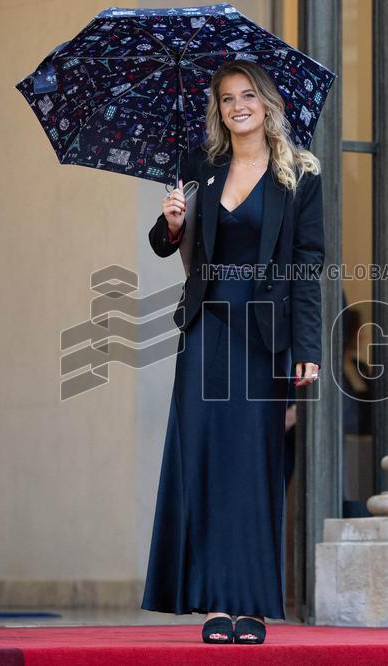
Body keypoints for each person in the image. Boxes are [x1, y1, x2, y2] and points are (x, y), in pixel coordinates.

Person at [143, 60, 325, 644]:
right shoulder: (200, 167)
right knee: (202, 458)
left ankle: (252, 605)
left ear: (267, 103)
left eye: (248, 95)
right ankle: (213, 604)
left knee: (253, 464)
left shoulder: (300, 175)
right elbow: (164, 243)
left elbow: (308, 265)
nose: (238, 106)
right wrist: (172, 223)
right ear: (217, 110)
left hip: (264, 336)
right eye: (227, 98)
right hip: (207, 328)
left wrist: (307, 345)